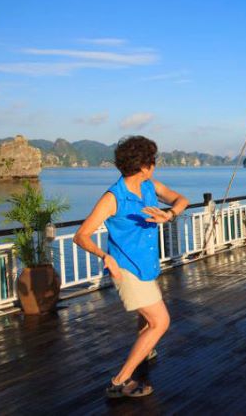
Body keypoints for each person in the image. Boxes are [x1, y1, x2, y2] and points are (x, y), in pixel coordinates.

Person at [74, 135, 188, 398]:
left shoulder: (149, 185)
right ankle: (119, 381)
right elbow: (81, 235)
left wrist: (169, 214)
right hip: (125, 267)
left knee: (146, 318)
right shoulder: (113, 198)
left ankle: (145, 350)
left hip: (146, 265)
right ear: (144, 165)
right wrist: (105, 256)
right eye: (153, 161)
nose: (155, 166)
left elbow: (180, 199)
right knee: (160, 322)